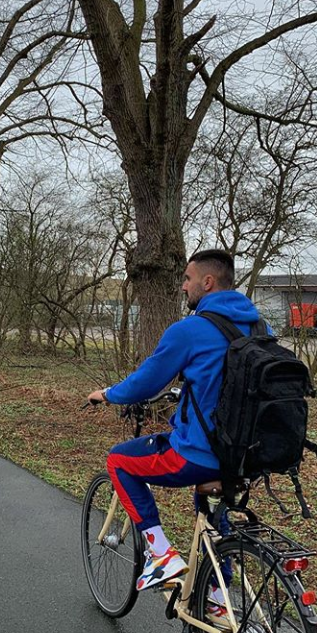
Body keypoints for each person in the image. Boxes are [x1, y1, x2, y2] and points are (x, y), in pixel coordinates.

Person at [87, 249, 265, 593]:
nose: (183, 286)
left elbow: (146, 382)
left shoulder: (191, 329)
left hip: (199, 454)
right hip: (249, 457)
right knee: (210, 510)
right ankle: (216, 594)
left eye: (187, 278)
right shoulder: (259, 327)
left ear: (207, 282)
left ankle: (161, 555)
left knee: (119, 461)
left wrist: (107, 394)